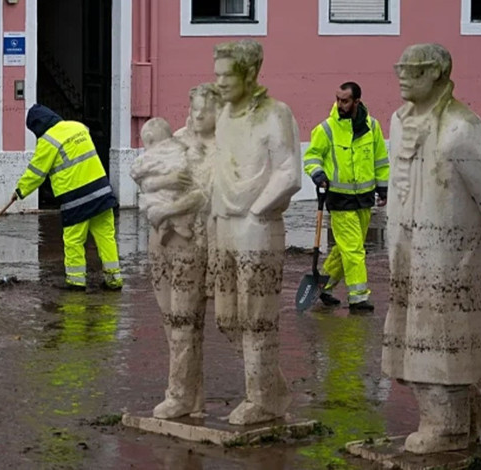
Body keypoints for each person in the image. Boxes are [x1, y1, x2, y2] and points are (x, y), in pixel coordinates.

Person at [382, 43, 481, 454]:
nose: (403, 75)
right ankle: (468, 412)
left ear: (436, 73)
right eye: (400, 68)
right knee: (408, 334)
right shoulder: (399, 122)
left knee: (440, 334)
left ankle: (449, 426)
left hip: (446, 248)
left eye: (413, 69)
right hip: (406, 241)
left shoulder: (459, 126)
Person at [212, 39, 301, 425]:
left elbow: (288, 172)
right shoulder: (223, 115)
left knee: (257, 317)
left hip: (257, 226)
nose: (218, 83)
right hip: (224, 223)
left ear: (249, 74)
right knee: (226, 316)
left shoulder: (275, 114)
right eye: (216, 75)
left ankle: (261, 399)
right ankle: (272, 388)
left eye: (225, 75)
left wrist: (257, 210)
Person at [132, 83, 220, 420]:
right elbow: (148, 174)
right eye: (195, 108)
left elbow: (206, 195)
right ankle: (192, 395)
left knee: (184, 320)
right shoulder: (177, 139)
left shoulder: (221, 150)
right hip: (162, 240)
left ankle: (179, 395)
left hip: (192, 242)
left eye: (206, 110)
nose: (199, 115)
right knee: (171, 320)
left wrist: (166, 211)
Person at [11, 104, 123, 291]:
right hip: (102, 192)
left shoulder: (48, 141)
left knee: (74, 241)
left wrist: (19, 192)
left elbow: (36, 173)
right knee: (106, 237)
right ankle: (114, 280)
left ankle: (76, 281)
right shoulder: (78, 127)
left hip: (76, 199)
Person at [303, 82, 389, 311]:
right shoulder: (327, 128)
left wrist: (383, 188)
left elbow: (380, 159)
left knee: (347, 248)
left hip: (364, 198)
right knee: (354, 250)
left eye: (345, 100)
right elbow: (311, 157)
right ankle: (358, 296)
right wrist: (318, 173)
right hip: (339, 199)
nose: (340, 104)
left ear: (357, 102)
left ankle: (324, 285)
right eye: (338, 99)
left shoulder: (372, 126)